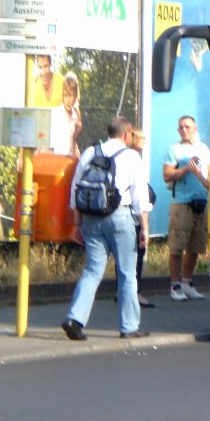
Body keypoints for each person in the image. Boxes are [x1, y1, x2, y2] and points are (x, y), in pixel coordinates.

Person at [61, 117, 150, 340]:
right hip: (120, 216)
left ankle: (75, 319)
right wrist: (144, 229)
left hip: (91, 217)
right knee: (127, 273)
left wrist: (76, 224)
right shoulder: (131, 156)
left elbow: (76, 189)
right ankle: (129, 327)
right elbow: (140, 196)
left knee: (92, 270)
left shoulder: (91, 152)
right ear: (127, 133)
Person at [162, 115, 210, 301]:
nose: (184, 130)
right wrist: (184, 170)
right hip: (182, 203)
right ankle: (174, 285)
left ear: (195, 128)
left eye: (187, 127)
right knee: (177, 246)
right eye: (181, 127)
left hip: (201, 202)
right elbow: (167, 175)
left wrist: (199, 175)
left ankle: (187, 283)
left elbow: (209, 179)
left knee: (196, 245)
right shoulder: (174, 149)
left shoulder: (203, 149)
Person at [131, 127, 155, 307]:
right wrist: (145, 227)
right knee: (137, 255)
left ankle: (123, 291)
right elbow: (140, 197)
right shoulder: (134, 159)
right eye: (142, 139)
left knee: (125, 258)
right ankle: (135, 293)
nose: (145, 142)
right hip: (133, 216)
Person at [48, 72, 83, 156]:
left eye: (70, 95)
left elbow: (73, 140)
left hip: (69, 159)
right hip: (55, 158)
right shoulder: (55, 113)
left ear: (75, 96)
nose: (67, 100)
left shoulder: (76, 115)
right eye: (65, 95)